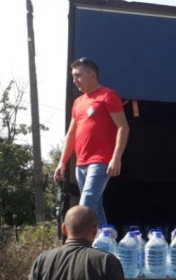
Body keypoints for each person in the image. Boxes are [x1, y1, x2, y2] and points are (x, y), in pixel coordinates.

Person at [53, 58, 130, 226]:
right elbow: (71, 134)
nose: (75, 80)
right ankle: (105, 244)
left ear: (92, 75)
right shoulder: (78, 102)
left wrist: (116, 158)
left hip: (101, 160)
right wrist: (62, 162)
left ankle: (78, 245)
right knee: (96, 207)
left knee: (86, 203)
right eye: (73, 76)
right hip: (81, 164)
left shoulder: (108, 96)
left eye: (78, 75)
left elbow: (123, 127)